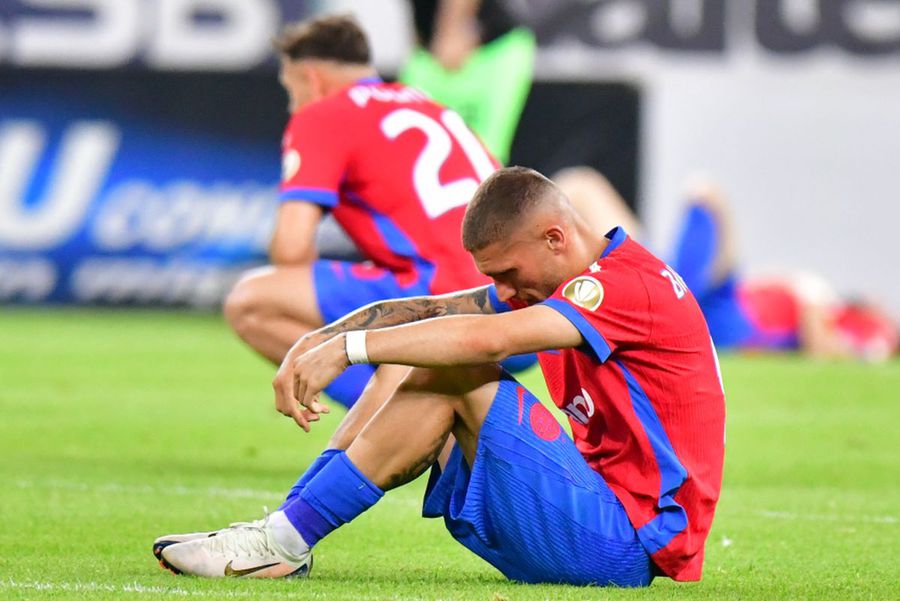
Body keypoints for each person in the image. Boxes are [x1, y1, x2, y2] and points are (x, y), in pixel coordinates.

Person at [154, 167, 726, 586]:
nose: (503, 292)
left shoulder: (624, 286)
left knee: (457, 370)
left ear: (556, 238)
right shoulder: (568, 279)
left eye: (508, 272)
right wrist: (322, 337)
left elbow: (485, 338)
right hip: (584, 515)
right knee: (412, 355)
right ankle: (282, 532)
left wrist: (349, 351)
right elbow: (438, 311)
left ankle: (282, 541)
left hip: (625, 543)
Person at [223, 14, 509, 409]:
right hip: (516, 310)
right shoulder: (428, 103)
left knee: (250, 300)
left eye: (291, 90)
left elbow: (290, 249)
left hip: (443, 299)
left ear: (312, 78)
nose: (293, 104)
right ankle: (424, 399)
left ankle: (393, 417)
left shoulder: (324, 114)